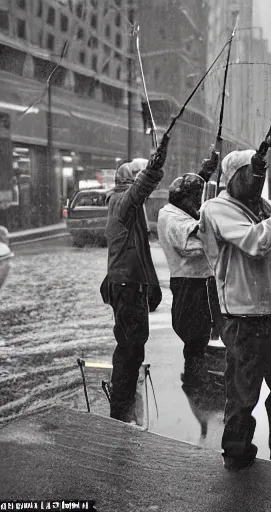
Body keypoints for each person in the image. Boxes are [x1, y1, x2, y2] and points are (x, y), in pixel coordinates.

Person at [199, 147, 271, 471]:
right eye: (251, 173)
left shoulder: (264, 207)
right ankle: (237, 453)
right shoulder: (216, 209)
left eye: (261, 173)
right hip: (243, 319)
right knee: (243, 394)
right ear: (233, 177)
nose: (258, 180)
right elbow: (256, 243)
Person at [100, 136, 169, 423]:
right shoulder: (122, 202)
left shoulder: (124, 206)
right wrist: (156, 164)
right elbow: (140, 189)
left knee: (131, 346)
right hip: (127, 286)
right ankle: (121, 409)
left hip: (126, 283)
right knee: (130, 348)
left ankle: (122, 404)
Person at [157, 154, 218, 386]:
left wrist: (204, 173)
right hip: (189, 283)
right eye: (195, 197)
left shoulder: (180, 209)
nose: (198, 202)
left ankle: (197, 374)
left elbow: (191, 201)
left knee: (202, 334)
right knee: (195, 335)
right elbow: (191, 246)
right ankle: (195, 380)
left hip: (201, 282)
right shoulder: (171, 217)